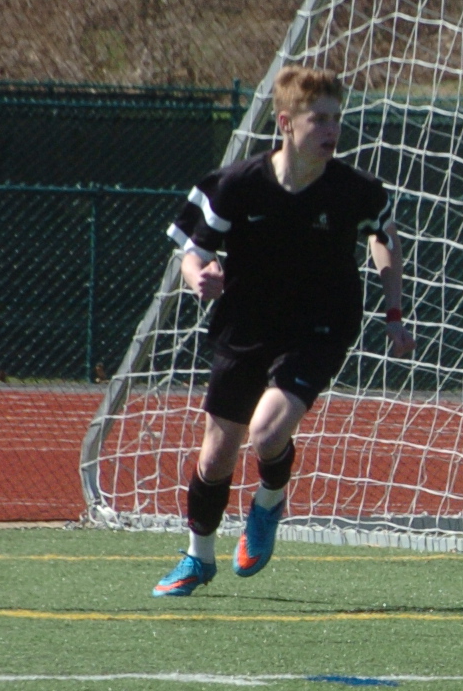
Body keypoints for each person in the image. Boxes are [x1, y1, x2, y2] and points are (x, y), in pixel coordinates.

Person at [153, 65, 413, 597]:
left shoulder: (355, 190)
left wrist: (394, 311)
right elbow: (194, 251)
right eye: (319, 119)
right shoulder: (238, 184)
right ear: (286, 122)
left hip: (320, 326)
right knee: (215, 456)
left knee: (268, 432)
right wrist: (198, 277)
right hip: (245, 323)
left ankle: (269, 500)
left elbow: (383, 238)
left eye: (336, 119)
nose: (331, 130)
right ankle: (198, 557)